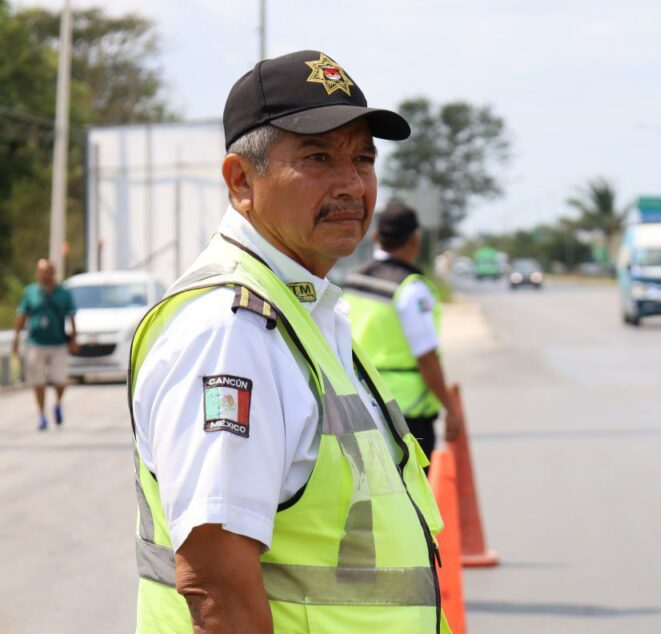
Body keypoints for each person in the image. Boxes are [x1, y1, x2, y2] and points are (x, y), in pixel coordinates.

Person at [129, 50, 449, 633]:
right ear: (240, 180)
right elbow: (216, 588)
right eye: (319, 157)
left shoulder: (306, 310)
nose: (352, 184)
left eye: (363, 159)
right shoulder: (230, 332)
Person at [343, 202, 463, 464]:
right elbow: (427, 357)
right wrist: (450, 408)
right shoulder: (410, 288)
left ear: (375, 236)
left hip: (360, 407)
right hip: (407, 415)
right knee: (412, 500)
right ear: (415, 239)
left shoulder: (353, 281)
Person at [13, 258, 78, 430]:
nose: (44, 275)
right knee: (38, 380)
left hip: (58, 342)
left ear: (53, 273)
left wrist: (74, 338)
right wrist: (16, 337)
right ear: (37, 273)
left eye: (48, 271)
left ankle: (57, 403)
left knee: (60, 379)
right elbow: (22, 314)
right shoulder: (30, 292)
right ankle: (41, 415)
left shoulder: (63, 293)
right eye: (41, 271)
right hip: (36, 342)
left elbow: (72, 316)